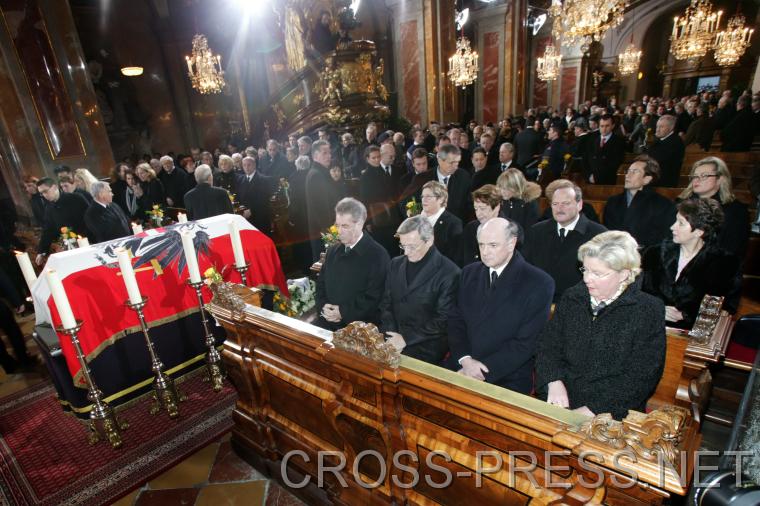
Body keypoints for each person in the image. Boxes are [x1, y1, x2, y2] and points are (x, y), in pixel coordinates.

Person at [536, 231, 666, 419]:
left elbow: (641, 376)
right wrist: (553, 381)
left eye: (597, 273)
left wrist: (595, 409)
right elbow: (548, 346)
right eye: (585, 270)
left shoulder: (647, 310)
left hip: (611, 411)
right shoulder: (573, 297)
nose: (587, 279)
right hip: (560, 398)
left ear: (624, 274)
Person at [448, 217, 554, 394]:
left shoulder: (539, 282)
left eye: (493, 245)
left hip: (506, 375)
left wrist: (479, 371)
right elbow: (455, 320)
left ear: (512, 243)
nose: (485, 252)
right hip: (463, 363)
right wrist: (465, 360)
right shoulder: (468, 273)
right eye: (481, 245)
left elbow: (526, 344)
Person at [642, 199, 742, 330]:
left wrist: (687, 315)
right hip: (650, 325)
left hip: (693, 333)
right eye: (675, 220)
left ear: (699, 232)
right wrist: (657, 309)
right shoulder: (654, 253)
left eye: (681, 223)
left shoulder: (725, 263)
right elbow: (638, 292)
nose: (672, 227)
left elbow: (726, 307)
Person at [380, 216, 460, 364]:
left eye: (412, 246)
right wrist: (392, 335)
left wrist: (405, 338)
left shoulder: (450, 272)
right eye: (403, 246)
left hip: (425, 346)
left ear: (429, 240)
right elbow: (386, 303)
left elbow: (443, 320)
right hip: (392, 337)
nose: (406, 253)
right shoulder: (395, 264)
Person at [523, 180, 606, 302]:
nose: (559, 208)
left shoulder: (598, 235)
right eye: (555, 204)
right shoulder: (536, 231)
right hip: (539, 300)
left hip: (579, 303)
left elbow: (602, 276)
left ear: (579, 205)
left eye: (565, 203)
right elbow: (527, 267)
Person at [315, 198, 390, 331]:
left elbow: (375, 298)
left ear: (359, 224)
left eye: (345, 226)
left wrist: (342, 313)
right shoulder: (333, 251)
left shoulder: (378, 255)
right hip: (327, 323)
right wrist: (323, 306)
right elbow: (321, 283)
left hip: (359, 331)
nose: (338, 231)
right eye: (337, 225)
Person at [676, 157, 749, 257]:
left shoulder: (736, 211)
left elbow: (731, 250)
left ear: (720, 179)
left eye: (704, 176)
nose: (697, 180)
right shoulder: (681, 203)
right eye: (695, 176)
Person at [603, 155, 676, 248]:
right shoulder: (613, 201)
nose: (628, 175)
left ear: (647, 179)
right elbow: (608, 231)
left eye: (635, 171)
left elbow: (662, 237)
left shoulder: (663, 205)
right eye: (628, 171)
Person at [34, 178, 90, 265]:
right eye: (41, 193)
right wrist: (42, 251)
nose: (44, 195)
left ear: (55, 187)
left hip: (88, 243)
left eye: (45, 191)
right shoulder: (49, 208)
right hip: (70, 247)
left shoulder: (76, 198)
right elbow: (48, 231)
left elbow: (90, 220)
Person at [360, 144, 403, 256]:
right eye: (373, 158)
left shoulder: (383, 171)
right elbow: (364, 200)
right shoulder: (365, 176)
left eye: (378, 157)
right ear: (367, 159)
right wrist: (368, 221)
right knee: (382, 248)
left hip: (391, 215)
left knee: (394, 246)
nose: (377, 160)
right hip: (376, 218)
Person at [306, 140, 342, 261]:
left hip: (328, 229)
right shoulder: (316, 175)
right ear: (315, 156)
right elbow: (321, 209)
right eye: (324, 153)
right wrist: (331, 234)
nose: (329, 156)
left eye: (329, 153)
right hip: (324, 232)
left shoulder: (322, 173)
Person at [420, 181, 462, 265]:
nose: (424, 200)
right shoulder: (416, 220)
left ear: (441, 199)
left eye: (428, 197)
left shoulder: (453, 223)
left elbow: (455, 257)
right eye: (422, 196)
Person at [495, 168, 541, 243]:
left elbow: (531, 231)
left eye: (507, 189)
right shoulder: (501, 201)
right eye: (501, 187)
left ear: (516, 187)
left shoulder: (529, 204)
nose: (503, 192)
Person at [462, 185, 501, 265]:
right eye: (476, 209)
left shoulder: (509, 229)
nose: (478, 214)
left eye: (483, 209)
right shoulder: (470, 228)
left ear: (496, 207)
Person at [647, 115, 685, 188]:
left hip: (664, 185)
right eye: (657, 126)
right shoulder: (660, 140)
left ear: (671, 128)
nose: (657, 129)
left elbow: (655, 160)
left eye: (661, 127)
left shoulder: (675, 142)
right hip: (654, 183)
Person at [586, 114, 625, 185]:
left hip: (608, 180)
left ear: (612, 126)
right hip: (591, 179)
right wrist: (589, 175)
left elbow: (616, 163)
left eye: (607, 126)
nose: (604, 129)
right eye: (602, 126)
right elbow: (586, 159)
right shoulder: (591, 139)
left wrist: (598, 177)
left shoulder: (619, 142)